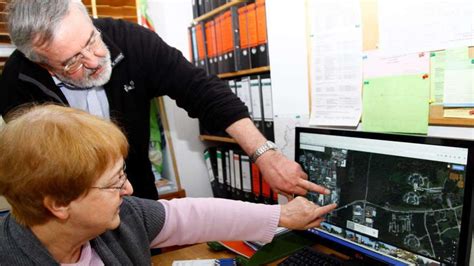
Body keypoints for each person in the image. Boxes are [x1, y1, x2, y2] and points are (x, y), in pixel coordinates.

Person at [0, 0, 329, 200]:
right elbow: (41, 173)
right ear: (41, 62)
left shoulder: (128, 39)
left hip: (140, 198)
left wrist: (264, 154)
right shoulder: (18, 82)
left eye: (91, 40)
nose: (95, 59)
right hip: (74, 213)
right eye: (72, 61)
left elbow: (200, 89)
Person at [0, 104, 337, 264]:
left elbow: (192, 216)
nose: (129, 190)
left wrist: (281, 216)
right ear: (58, 203)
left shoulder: (122, 218)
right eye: (114, 182)